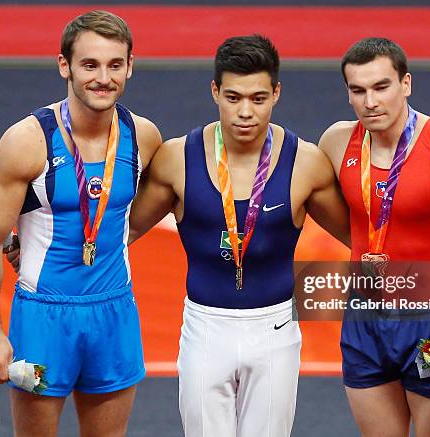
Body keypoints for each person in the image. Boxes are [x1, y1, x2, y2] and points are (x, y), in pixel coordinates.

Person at [128, 35, 349, 437]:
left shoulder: (306, 163)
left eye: (258, 98)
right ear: (215, 91)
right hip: (205, 328)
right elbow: (122, 231)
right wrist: (41, 250)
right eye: (233, 97)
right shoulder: (177, 158)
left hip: (275, 332)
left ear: (276, 93)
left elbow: (365, 238)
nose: (245, 112)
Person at [0, 10, 161, 436]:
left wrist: (116, 244)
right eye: (89, 65)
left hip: (115, 313)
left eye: (115, 65)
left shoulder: (144, 136)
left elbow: (149, 203)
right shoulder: (27, 141)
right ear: (65, 66)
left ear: (130, 66)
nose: (103, 78)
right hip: (43, 319)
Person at [318, 37, 430, 436]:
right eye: (358, 90)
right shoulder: (336, 143)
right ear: (347, 94)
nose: (370, 101)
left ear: (406, 84)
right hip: (365, 323)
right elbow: (329, 209)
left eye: (381, 87)